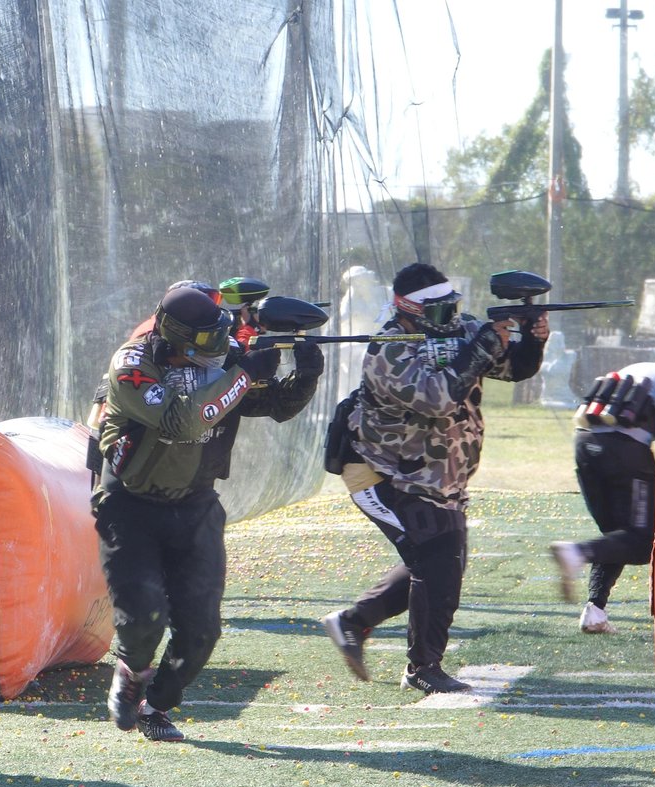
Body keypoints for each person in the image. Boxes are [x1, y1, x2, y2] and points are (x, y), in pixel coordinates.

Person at [94, 285, 323, 741]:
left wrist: (305, 375)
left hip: (195, 505)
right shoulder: (132, 365)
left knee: (201, 630)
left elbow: (277, 406)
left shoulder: (226, 359)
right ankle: (132, 672)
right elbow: (182, 421)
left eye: (220, 333)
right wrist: (243, 373)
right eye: (206, 339)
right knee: (141, 620)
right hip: (131, 507)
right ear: (175, 335)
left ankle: (156, 706)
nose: (219, 345)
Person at [320, 263, 549, 693]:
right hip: (381, 471)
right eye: (442, 312)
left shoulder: (463, 331)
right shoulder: (389, 349)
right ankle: (422, 668)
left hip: (435, 474)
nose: (453, 318)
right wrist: (480, 347)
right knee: (437, 560)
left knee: (441, 560)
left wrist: (531, 340)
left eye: (454, 308)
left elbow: (513, 370)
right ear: (412, 310)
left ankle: (353, 622)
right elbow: (438, 398)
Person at [549, 358, 655, 633]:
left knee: (617, 537)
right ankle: (577, 552)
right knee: (642, 542)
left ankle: (595, 611)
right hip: (623, 449)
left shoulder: (640, 368)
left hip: (584, 444)